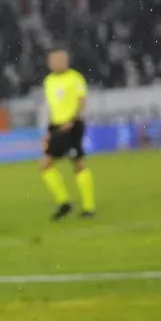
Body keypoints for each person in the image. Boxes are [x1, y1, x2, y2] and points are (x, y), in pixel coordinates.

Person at [40, 48, 96, 220]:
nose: (56, 63)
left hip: (72, 126)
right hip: (56, 126)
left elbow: (81, 101)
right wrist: (49, 130)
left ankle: (89, 207)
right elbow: (51, 106)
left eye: (60, 60)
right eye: (53, 60)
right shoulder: (48, 81)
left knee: (77, 164)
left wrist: (72, 120)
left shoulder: (75, 78)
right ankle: (64, 202)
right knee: (46, 165)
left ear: (66, 61)